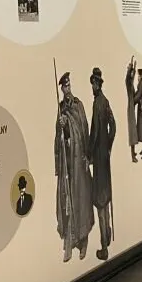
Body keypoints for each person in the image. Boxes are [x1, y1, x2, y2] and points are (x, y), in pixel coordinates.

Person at [54, 72, 94, 263]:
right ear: (62, 89)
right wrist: (62, 126)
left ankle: (83, 241)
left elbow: (83, 129)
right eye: (65, 86)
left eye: (69, 85)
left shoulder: (78, 105)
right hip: (67, 162)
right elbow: (58, 138)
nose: (67, 89)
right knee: (67, 200)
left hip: (79, 161)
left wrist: (88, 157)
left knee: (81, 199)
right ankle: (69, 242)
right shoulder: (60, 109)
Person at [88, 68, 115, 261]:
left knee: (100, 200)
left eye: (93, 84)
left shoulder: (98, 103)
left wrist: (89, 153)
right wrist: (109, 146)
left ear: (97, 84)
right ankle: (107, 231)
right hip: (105, 157)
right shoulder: (105, 102)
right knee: (106, 196)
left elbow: (95, 132)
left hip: (98, 158)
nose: (92, 87)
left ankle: (104, 246)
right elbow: (113, 126)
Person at [125, 58, 139, 163]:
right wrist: (131, 68)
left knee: (133, 132)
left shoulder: (131, 84)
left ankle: (133, 153)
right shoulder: (128, 83)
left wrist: (134, 67)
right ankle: (132, 156)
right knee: (132, 133)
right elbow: (128, 77)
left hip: (132, 109)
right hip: (130, 110)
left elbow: (132, 76)